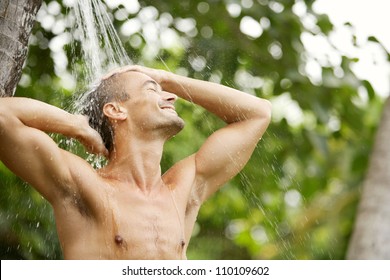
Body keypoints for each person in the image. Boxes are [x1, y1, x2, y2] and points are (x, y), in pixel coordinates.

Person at [0, 65, 271, 259]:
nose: (171, 96)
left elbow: (258, 113)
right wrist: (76, 126)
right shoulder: (86, 186)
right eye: (153, 89)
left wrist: (165, 77)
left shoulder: (183, 189)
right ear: (116, 110)